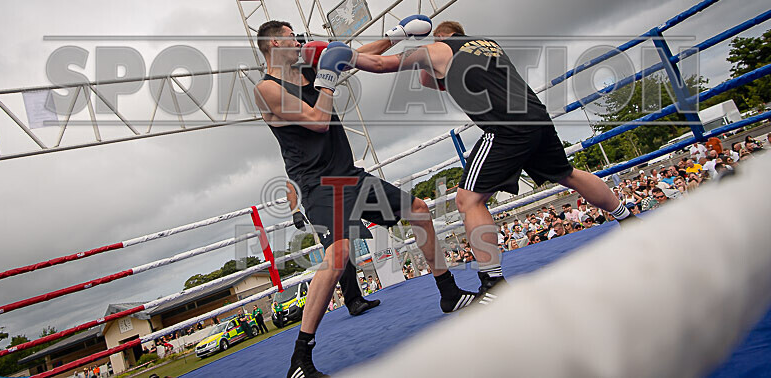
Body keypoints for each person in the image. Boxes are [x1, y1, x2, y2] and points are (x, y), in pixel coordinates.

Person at [347, 19, 639, 296]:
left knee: (468, 200)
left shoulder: (439, 49)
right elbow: (432, 81)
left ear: (442, 38)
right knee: (568, 174)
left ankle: (493, 279)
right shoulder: (487, 43)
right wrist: (426, 55)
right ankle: (627, 218)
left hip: (505, 127)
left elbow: (380, 64)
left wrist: (400, 36)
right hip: (535, 116)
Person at [253, 20, 476, 378]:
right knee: (338, 254)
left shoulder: (310, 66)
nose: (298, 40)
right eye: (290, 35)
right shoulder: (266, 89)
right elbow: (317, 120)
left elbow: (355, 57)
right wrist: (326, 78)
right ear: (274, 43)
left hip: (349, 174)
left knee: (418, 210)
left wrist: (396, 36)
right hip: (317, 184)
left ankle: (448, 291)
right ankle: (300, 358)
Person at [285, 181, 380, 317]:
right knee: (338, 252)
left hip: (337, 202)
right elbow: (290, 184)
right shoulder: (299, 162)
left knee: (347, 249)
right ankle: (313, 316)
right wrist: (295, 211)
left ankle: (355, 298)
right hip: (319, 210)